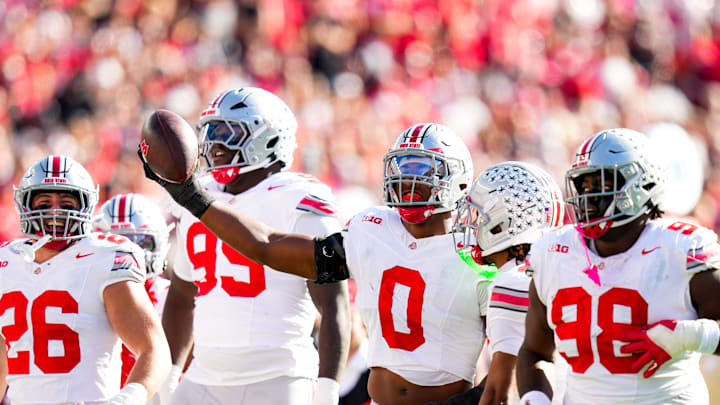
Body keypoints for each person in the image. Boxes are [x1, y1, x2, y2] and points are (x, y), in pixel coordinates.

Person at [140, 121, 495, 405]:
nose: (409, 180)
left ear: (458, 178)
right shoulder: (374, 230)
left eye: (422, 169)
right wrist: (191, 197)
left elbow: (512, 356)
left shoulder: (480, 254)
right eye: (402, 168)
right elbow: (267, 246)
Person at [160, 87, 350, 405]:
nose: (215, 143)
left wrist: (328, 390)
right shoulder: (197, 197)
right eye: (211, 132)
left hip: (277, 379)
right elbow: (181, 296)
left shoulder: (298, 201)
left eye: (228, 132)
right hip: (204, 378)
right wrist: (168, 374)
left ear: (269, 137)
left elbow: (334, 305)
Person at [516, 128, 720, 405]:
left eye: (600, 184)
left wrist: (689, 336)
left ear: (641, 186)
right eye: (583, 186)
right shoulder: (554, 253)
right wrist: (535, 398)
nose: (588, 196)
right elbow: (534, 351)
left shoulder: (680, 250)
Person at [0, 155, 170, 404]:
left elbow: (154, 349)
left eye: (67, 203)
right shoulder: (6, 261)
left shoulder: (104, 256)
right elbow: (4, 354)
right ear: (25, 205)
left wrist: (129, 398)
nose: (56, 212)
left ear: (86, 207)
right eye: (45, 202)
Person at [425, 161, 566, 405]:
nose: (472, 223)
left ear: (504, 223)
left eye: (480, 215)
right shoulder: (554, 267)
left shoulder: (512, 282)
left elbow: (502, 393)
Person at [93, 193, 173, 390]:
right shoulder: (84, 293)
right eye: (117, 243)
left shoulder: (169, 299)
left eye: (141, 243)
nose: (129, 253)